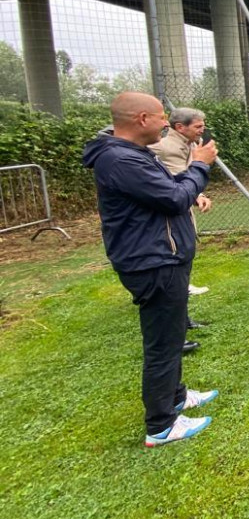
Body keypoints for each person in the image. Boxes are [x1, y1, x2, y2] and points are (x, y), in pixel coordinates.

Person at [82, 92, 219, 447]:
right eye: (160, 117)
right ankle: (161, 424)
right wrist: (199, 165)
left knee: (172, 335)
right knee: (163, 344)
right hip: (153, 261)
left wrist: (191, 178)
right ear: (142, 119)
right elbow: (174, 198)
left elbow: (170, 192)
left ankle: (176, 396)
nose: (165, 123)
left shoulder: (133, 154)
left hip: (164, 257)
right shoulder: (120, 160)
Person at [150, 107, 214, 352]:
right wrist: (199, 172)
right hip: (168, 220)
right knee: (173, 274)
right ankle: (174, 335)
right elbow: (177, 183)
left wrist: (198, 195)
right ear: (180, 127)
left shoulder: (190, 145)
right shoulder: (165, 148)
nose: (202, 130)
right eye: (198, 126)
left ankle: (183, 321)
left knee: (182, 271)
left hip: (182, 212)